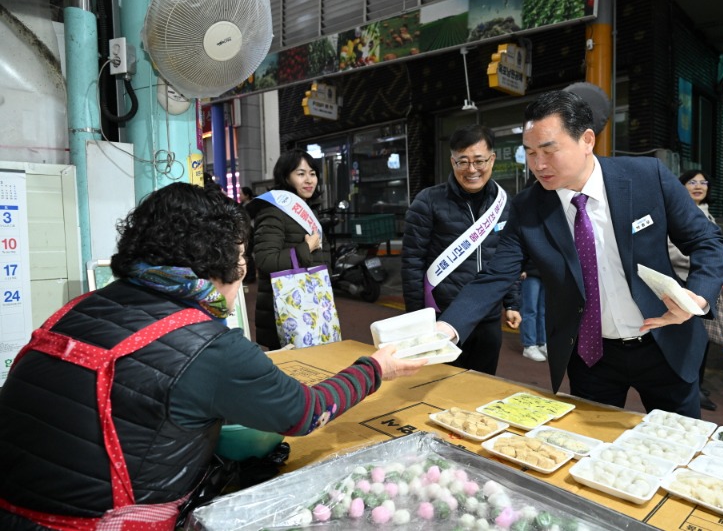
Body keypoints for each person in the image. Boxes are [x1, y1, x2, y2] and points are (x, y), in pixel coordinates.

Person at [0, 182, 427, 530]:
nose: (244, 272)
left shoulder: (79, 308)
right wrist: (376, 367)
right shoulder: (207, 345)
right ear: (217, 262)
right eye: (242, 258)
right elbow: (306, 412)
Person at [436, 90, 723, 418]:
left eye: (549, 150)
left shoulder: (647, 177)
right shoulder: (528, 207)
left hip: (665, 343)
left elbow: (707, 241)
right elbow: (494, 277)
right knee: (591, 451)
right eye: (530, 153)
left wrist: (698, 298)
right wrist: (445, 330)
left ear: (586, 140)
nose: (538, 165)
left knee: (678, 446)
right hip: (592, 354)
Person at [402, 124, 520, 375]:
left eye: (479, 161)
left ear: (492, 159)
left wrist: (512, 302)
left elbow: (506, 256)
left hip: (487, 316)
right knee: (438, 387)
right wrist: (416, 318)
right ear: (452, 161)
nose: (472, 170)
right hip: (442, 316)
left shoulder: (503, 202)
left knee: (484, 384)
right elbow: (412, 261)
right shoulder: (428, 200)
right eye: (462, 162)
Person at [252, 150, 330, 350]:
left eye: (312, 173)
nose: (309, 180)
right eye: (301, 173)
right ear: (285, 177)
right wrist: (306, 248)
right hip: (285, 312)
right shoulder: (273, 211)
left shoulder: (309, 211)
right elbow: (265, 260)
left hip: (312, 306)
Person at [667, 170, 722, 411]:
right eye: (692, 182)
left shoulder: (707, 213)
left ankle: (697, 382)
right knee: (688, 339)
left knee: (703, 339)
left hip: (704, 287)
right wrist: (704, 270)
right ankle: (691, 385)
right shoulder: (676, 212)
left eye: (703, 182)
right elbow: (673, 250)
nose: (699, 186)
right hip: (684, 285)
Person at [520, 265, 547, 362]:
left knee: (543, 311)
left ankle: (542, 343)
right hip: (530, 272)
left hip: (546, 274)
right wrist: (522, 268)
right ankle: (529, 345)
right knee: (530, 310)